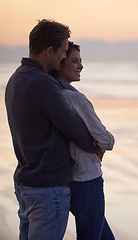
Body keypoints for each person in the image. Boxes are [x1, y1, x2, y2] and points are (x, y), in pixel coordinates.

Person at [5, 19, 102, 240]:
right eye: (63, 52)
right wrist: (94, 145)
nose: (63, 58)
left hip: (26, 183)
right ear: (50, 51)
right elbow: (74, 128)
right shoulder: (43, 84)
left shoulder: (16, 78)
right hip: (47, 189)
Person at [50, 41, 115, 240]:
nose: (81, 66)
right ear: (60, 64)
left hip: (70, 183)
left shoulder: (52, 96)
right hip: (89, 182)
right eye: (75, 61)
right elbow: (107, 141)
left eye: (81, 61)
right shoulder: (76, 99)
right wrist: (100, 142)